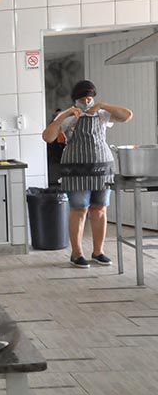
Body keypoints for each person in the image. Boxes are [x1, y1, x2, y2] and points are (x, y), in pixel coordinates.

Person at [41, 80, 133, 268]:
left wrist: (102, 105)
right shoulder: (68, 117)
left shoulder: (102, 114)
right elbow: (48, 137)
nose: (86, 101)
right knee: (79, 209)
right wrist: (64, 115)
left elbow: (127, 116)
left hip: (102, 168)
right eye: (82, 98)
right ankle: (77, 253)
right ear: (75, 99)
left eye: (89, 98)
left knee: (100, 209)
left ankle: (98, 252)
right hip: (76, 170)